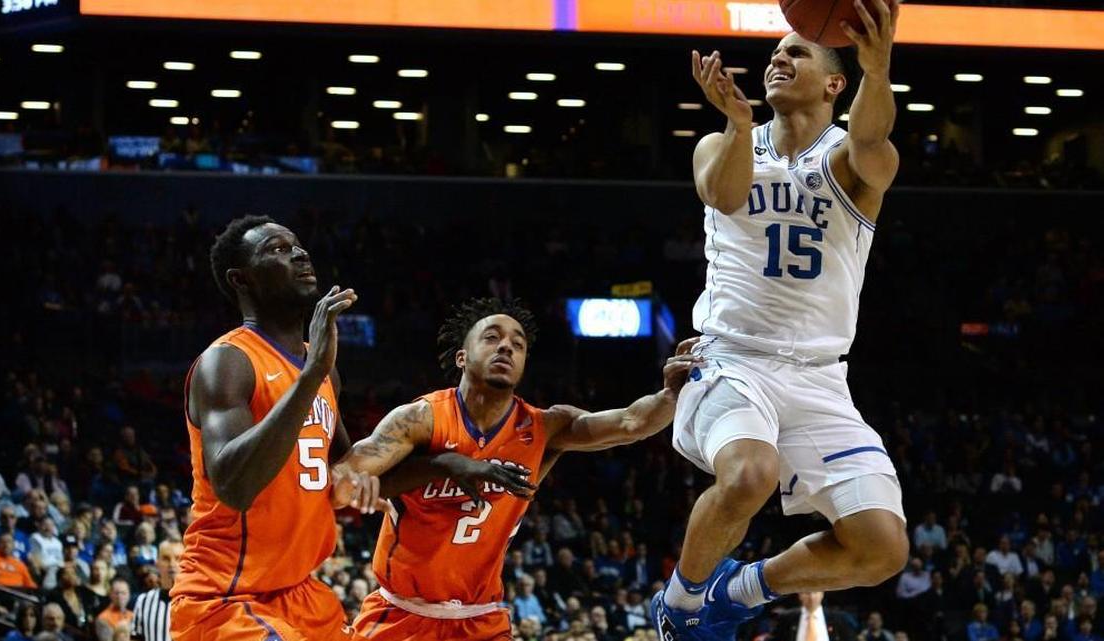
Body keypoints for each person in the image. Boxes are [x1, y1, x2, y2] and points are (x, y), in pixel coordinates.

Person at [653, 1, 908, 638]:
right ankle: (680, 607)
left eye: (797, 51)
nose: (778, 59)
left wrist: (879, 70)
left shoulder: (852, 160)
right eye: (774, 52)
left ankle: (739, 590)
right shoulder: (721, 143)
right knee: (751, 474)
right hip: (732, 359)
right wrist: (739, 123)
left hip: (820, 377)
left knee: (881, 548)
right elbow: (724, 195)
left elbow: (871, 140)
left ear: (834, 83)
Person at [337, 298, 701, 640]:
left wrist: (671, 395)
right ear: (462, 356)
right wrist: (431, 468)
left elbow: (631, 423)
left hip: (480, 620)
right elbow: (343, 480)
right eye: (491, 338)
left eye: (518, 344)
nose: (506, 348)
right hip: (401, 613)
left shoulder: (544, 428)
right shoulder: (421, 419)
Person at [169, 216, 391, 641]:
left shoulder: (321, 368)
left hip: (300, 593)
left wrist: (455, 464)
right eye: (277, 249)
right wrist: (312, 374)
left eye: (298, 245)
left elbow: (350, 465)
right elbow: (235, 486)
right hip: (225, 599)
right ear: (241, 279)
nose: (300, 254)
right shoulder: (228, 361)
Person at [131, 539, 182, 641]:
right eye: (166, 558)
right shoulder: (143, 601)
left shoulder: (196, 602)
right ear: (157, 562)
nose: (172, 564)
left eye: (178, 558)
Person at [770, 592, 856, 641]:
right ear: (800, 595)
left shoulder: (839, 618)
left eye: (815, 592)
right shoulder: (787, 618)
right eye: (807, 593)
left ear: (822, 594)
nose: (811, 597)